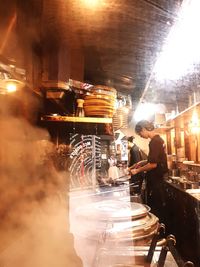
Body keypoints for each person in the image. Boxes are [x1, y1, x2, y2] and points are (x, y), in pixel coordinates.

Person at [130, 120, 168, 220]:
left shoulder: (154, 142)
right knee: (157, 208)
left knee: (155, 209)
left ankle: (157, 230)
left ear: (143, 129)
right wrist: (140, 163)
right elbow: (153, 159)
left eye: (140, 133)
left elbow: (152, 164)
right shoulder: (158, 139)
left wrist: (137, 171)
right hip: (157, 181)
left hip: (156, 182)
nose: (140, 136)